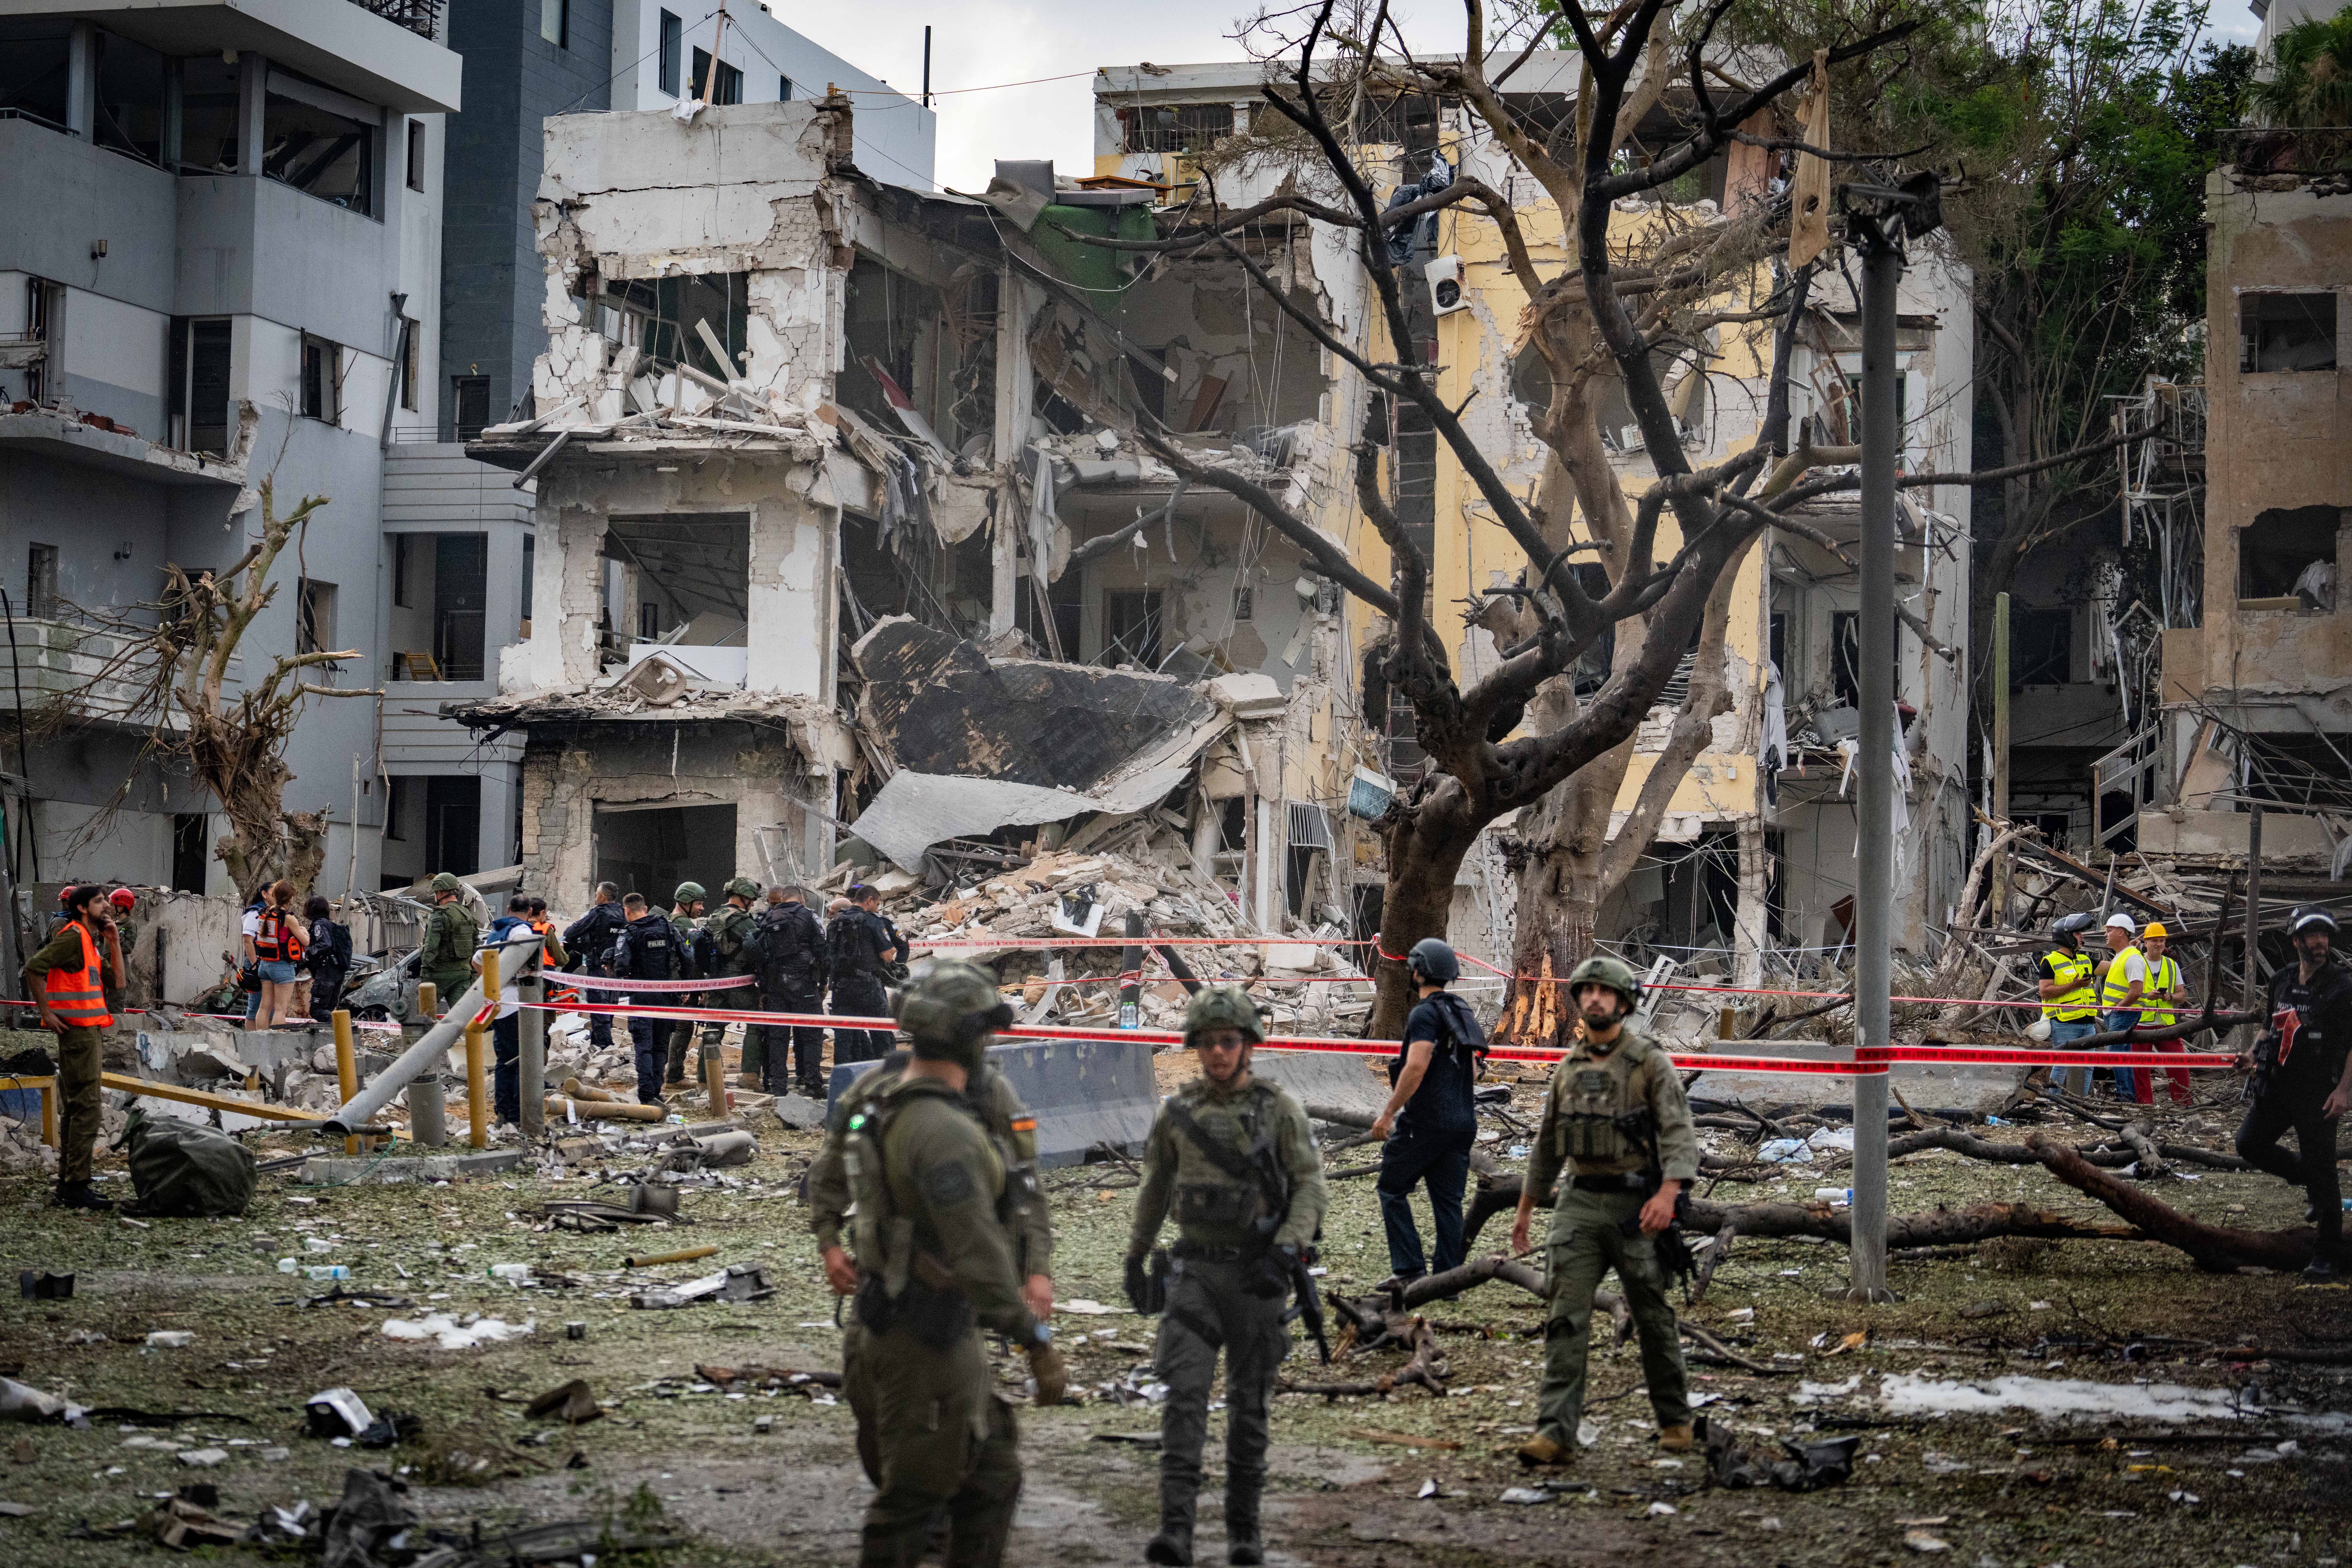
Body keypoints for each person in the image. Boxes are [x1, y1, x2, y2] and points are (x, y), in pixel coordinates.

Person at [826, 960, 1065, 1567]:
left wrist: (1036, 1266)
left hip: (932, 1323)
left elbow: (1024, 1191)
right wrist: (1033, 1336)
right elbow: (977, 1250)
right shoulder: (935, 1126)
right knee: (909, 1499)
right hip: (919, 1328)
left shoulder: (978, 1100)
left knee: (992, 1473)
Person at [1125, 985, 1327, 1567]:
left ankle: (1244, 1535)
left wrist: (1288, 1250)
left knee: (1248, 1408)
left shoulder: (1278, 1109)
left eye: (1229, 1042)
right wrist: (1135, 1255)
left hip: (1257, 1276)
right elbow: (1155, 1187)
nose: (1218, 1053)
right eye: (1209, 1043)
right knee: (1183, 1399)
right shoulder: (1178, 1114)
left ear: (1248, 1047)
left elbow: (1311, 1185)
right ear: (1196, 1046)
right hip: (1194, 1274)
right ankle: (1177, 1533)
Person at [1511, 954, 1698, 1469]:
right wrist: (1527, 1209)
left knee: (1653, 1317)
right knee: (1565, 1319)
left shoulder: (1649, 1063)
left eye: (1604, 991)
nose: (1594, 997)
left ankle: (1676, 1419)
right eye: (1586, 990)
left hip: (1637, 1207)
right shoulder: (1567, 1068)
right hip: (1578, 1206)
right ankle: (1554, 1433)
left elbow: (1679, 1133)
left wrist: (1668, 1194)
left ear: (1623, 1001)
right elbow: (1548, 1143)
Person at [808, 974, 1054, 1327]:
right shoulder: (874, 1092)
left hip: (962, 1294)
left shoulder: (992, 1095)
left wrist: (1038, 1271)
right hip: (884, 1292)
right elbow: (829, 1173)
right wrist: (830, 1245)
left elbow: (1027, 1188)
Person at [2238, 906, 2352, 1281]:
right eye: (2313, 936)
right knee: (2249, 1144)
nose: (2321, 942)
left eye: (2325, 935)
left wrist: (2343, 1091)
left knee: (2324, 1171)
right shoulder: (2284, 980)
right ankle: (2305, 1178)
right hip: (2276, 1084)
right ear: (2296, 941)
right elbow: (2271, 1025)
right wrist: (2252, 1056)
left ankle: (2327, 1257)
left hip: (2318, 1091)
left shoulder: (2342, 986)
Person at [1368, 936, 1484, 1287]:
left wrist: (1389, 1112)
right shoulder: (1461, 1009)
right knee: (1448, 1203)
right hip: (1463, 1122)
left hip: (1426, 1122)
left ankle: (1409, 1271)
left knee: (1392, 1187)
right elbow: (1477, 1068)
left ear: (1418, 971)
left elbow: (1416, 1066)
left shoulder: (1424, 1013)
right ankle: (1447, 1283)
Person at [24, 885, 126, 1210]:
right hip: (78, 1034)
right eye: (100, 902)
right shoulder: (73, 937)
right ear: (83, 908)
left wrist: (114, 942)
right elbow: (33, 968)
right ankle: (75, 1185)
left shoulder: (90, 941)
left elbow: (119, 985)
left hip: (89, 1032)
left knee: (77, 1108)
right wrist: (45, 1013)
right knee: (87, 1107)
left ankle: (70, 1186)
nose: (108, 905)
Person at [748, 883, 829, 1097]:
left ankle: (778, 1087)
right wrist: (823, 982)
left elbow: (760, 953)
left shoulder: (770, 918)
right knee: (812, 1036)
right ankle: (812, 1084)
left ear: (783, 899)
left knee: (778, 1037)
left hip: (776, 986)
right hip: (804, 984)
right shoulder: (809, 917)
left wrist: (765, 986)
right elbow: (823, 951)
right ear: (801, 898)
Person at [608, 891, 684, 1106]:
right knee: (661, 1045)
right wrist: (688, 987)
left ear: (626, 911)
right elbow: (686, 956)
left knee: (644, 1046)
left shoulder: (629, 933)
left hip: (642, 996)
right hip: (668, 995)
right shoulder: (668, 927)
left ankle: (646, 1094)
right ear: (645, 907)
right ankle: (657, 1092)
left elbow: (622, 967)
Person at [828, 883, 906, 1065]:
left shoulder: (835, 922)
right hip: (867, 985)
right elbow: (887, 955)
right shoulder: (872, 921)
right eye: (877, 904)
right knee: (881, 1032)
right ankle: (887, 1078)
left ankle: (844, 1080)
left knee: (844, 1036)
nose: (878, 908)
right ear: (869, 901)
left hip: (841, 986)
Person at [700, 878, 762, 1085]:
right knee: (757, 1023)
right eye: (751, 899)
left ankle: (704, 1079)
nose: (752, 904)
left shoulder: (715, 917)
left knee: (713, 1030)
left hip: (715, 982)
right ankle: (750, 1077)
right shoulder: (742, 921)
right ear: (743, 897)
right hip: (739, 982)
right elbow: (757, 948)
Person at [2034, 911, 2101, 1097]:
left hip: (2088, 1023)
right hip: (2065, 1023)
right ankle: (2054, 1101)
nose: (2082, 937)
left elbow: (2113, 966)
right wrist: (2073, 985)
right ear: (2068, 936)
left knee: (2087, 1065)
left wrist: (2129, 953)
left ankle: (2080, 1099)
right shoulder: (2051, 961)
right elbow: (2045, 992)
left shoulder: (2085, 960)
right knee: (2062, 1064)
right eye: (2078, 934)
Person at [563, 881, 627, 1053]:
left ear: (603, 897)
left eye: (596, 895)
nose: (595, 898)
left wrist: (584, 943)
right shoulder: (623, 913)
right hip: (616, 969)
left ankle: (605, 1045)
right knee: (611, 1005)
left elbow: (571, 933)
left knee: (598, 1005)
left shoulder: (598, 914)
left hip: (598, 966)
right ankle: (597, 1040)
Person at [2136, 920, 2194, 1107]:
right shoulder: (2137, 962)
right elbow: (2128, 994)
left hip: (2166, 1023)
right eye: (2155, 941)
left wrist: (2169, 997)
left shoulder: (2171, 965)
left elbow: (2182, 995)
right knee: (2140, 1070)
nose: (2159, 944)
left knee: (2179, 1065)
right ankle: (2145, 1106)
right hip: (2141, 1024)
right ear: (2146, 942)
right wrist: (2147, 997)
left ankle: (2184, 1104)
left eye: (2162, 941)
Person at [661, 881, 709, 1090]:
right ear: (686, 902)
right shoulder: (684, 927)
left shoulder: (667, 922)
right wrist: (698, 988)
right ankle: (674, 1076)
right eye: (698, 903)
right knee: (683, 1028)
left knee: (674, 1029)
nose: (702, 908)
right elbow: (692, 962)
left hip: (672, 986)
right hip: (683, 987)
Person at [2097, 912, 2148, 1104]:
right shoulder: (2123, 955)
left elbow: (2136, 991)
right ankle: (2127, 1096)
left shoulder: (2132, 958)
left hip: (2123, 1013)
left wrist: (2119, 1007)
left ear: (2121, 933)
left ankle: (2125, 1097)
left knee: (2117, 1056)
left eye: (2110, 930)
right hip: (2117, 1013)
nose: (2106, 934)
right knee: (2121, 1056)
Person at [418, 872, 479, 1015]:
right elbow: (475, 943)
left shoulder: (440, 914)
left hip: (438, 975)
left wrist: (425, 973)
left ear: (440, 892)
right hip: (463, 974)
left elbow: (431, 947)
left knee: (424, 1020)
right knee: (464, 1018)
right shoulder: (467, 914)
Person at [252, 879, 308, 1028]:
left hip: (265, 964)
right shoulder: (288, 918)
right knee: (281, 1009)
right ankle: (277, 1040)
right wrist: (305, 932)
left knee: (264, 1007)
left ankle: (261, 1039)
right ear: (290, 898)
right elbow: (306, 942)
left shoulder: (265, 912)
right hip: (282, 966)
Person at [306, 895, 354, 1021]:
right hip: (338, 972)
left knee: (317, 1010)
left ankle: (343, 1025)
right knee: (329, 1010)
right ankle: (334, 1035)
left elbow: (325, 944)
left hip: (327, 971)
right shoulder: (331, 925)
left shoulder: (319, 925)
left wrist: (308, 952)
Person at [101, 887, 138, 1015]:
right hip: (107, 969)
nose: (109, 907)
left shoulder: (130, 924)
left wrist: (115, 941)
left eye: (113, 905)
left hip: (119, 971)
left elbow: (129, 948)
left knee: (114, 1008)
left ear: (121, 907)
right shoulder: (112, 923)